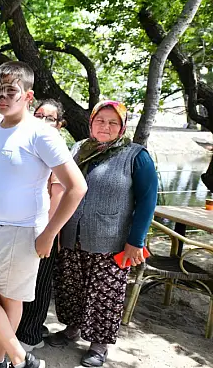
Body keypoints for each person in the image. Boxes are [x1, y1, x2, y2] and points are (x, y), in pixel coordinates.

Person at [0, 61, 87, 368]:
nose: (2, 97)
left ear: (28, 96)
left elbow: (77, 187)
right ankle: (22, 359)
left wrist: (49, 234)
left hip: (20, 231)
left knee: (10, 299)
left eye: (11, 91)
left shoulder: (42, 135)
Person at [48, 100, 157, 367]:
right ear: (91, 123)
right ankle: (72, 328)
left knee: (104, 294)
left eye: (112, 122)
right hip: (72, 235)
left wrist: (135, 241)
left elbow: (147, 200)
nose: (105, 126)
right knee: (71, 286)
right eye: (100, 120)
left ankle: (99, 345)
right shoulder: (78, 149)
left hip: (112, 240)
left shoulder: (136, 155)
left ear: (122, 127)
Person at [15, 99, 67, 352]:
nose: (44, 121)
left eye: (50, 118)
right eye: (39, 115)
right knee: (21, 281)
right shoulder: (29, 142)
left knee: (39, 283)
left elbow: (58, 196)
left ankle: (31, 334)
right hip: (22, 226)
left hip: (43, 230)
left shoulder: (56, 150)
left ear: (60, 124)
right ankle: (18, 327)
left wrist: (48, 234)